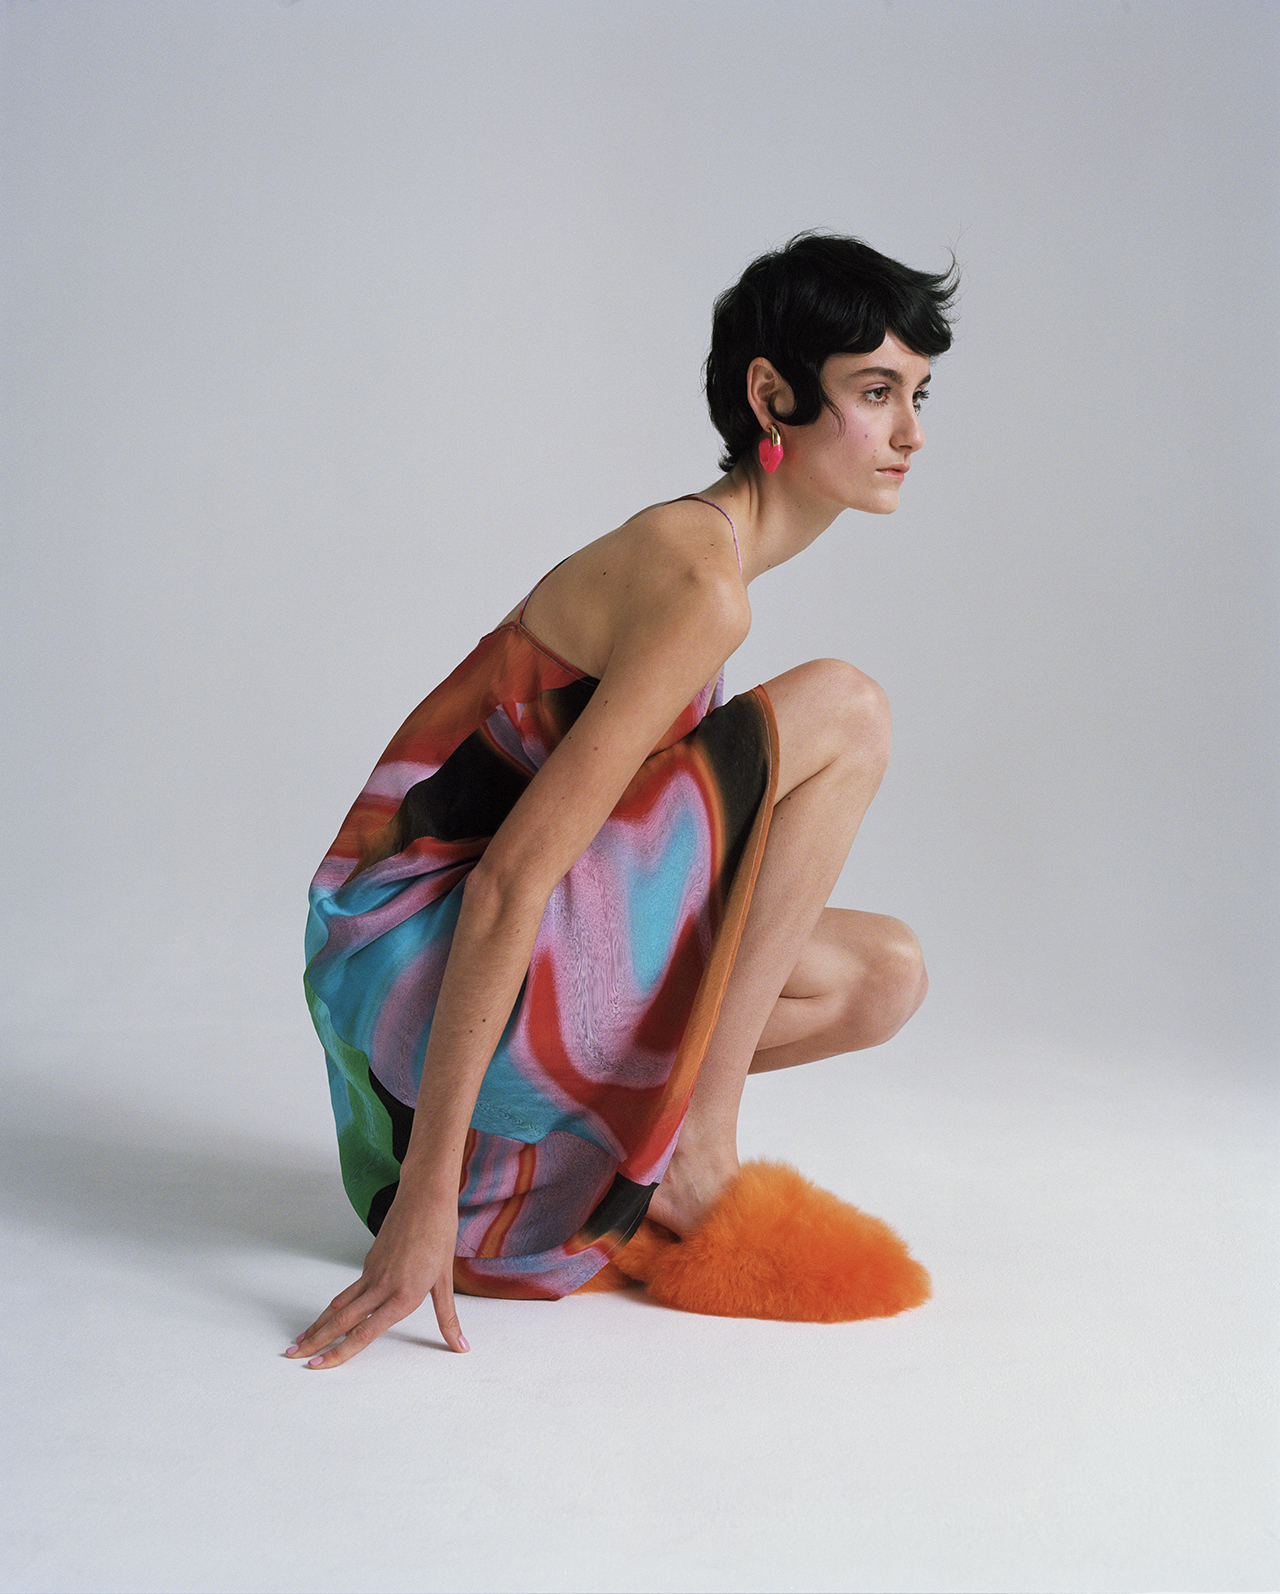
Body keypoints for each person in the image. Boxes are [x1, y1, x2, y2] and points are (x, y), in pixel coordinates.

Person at [289, 233, 957, 1369]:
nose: (911, 433)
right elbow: (509, 879)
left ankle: (585, 1165)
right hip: (410, 953)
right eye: (875, 391)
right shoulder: (695, 582)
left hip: (476, 986)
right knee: (847, 710)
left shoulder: (710, 569)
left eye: (918, 395)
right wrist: (425, 1197)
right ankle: (695, 1153)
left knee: (882, 975)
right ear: (773, 396)